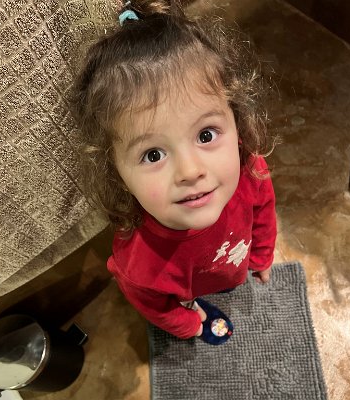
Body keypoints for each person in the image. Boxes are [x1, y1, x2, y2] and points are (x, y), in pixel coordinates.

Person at [71, 0, 277, 344]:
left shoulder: (249, 170)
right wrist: (189, 324)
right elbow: (155, 306)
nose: (190, 171)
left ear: (237, 122)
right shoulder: (137, 263)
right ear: (117, 173)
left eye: (206, 135)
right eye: (153, 154)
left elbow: (264, 213)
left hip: (234, 269)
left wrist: (261, 256)